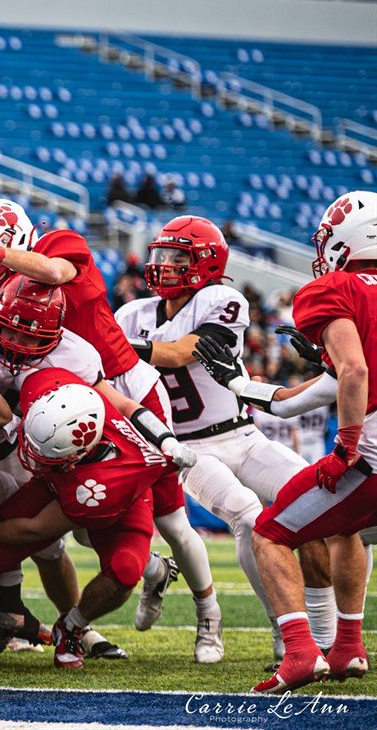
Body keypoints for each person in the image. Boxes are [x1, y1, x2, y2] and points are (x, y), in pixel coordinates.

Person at [0, 199, 218, 648]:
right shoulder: (0, 293)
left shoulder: (57, 247)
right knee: (80, 525)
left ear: (6, 245)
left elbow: (53, 273)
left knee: (170, 517)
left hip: (121, 390)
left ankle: (208, 615)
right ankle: (133, 576)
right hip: (62, 399)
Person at [116, 216, 332, 664]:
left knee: (317, 503)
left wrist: (117, 345)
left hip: (244, 436)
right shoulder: (132, 314)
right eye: (161, 255)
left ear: (206, 263)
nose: (164, 265)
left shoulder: (222, 300)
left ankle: (330, 633)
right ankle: (285, 630)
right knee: (250, 518)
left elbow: (180, 353)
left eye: (178, 257)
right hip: (188, 448)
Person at [206, 192, 376, 693]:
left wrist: (345, 447)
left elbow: (355, 370)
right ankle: (347, 647)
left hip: (370, 456)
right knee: (342, 531)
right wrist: (239, 386)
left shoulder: (332, 289)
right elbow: (301, 396)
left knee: (269, 533)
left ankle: (302, 653)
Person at [0, 369, 190, 670]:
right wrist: (166, 438)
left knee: (123, 567)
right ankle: (155, 566)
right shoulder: (48, 382)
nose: (32, 453)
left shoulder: (109, 480)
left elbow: (36, 528)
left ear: (78, 453)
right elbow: (128, 407)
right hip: (65, 478)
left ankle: (72, 627)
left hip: (110, 491)